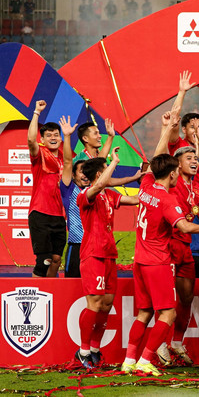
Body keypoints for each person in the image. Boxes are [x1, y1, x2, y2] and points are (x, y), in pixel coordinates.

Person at [121, 154, 199, 376]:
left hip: (140, 260)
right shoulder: (168, 199)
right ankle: (145, 360)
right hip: (157, 262)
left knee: (144, 313)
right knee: (168, 314)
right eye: (176, 172)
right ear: (172, 173)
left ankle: (129, 360)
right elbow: (185, 227)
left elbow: (151, 169)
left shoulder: (146, 186)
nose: (178, 175)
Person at [152, 106, 199, 367]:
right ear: (177, 164)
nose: (194, 161)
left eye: (195, 158)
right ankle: (160, 345)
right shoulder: (169, 183)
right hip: (168, 246)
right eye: (189, 158)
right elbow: (161, 154)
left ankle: (177, 341)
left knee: (186, 298)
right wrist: (168, 127)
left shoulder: (197, 186)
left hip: (186, 247)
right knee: (167, 301)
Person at [74, 148, 139, 369]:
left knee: (107, 304)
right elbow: (100, 185)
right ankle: (82, 351)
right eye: (106, 170)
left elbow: (134, 200)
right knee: (95, 303)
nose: (110, 174)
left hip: (110, 254)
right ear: (99, 173)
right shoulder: (86, 195)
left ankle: (94, 349)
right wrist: (114, 161)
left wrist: (152, 187)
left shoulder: (109, 195)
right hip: (93, 254)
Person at [27, 100, 66, 278]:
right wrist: (36, 112)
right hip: (40, 213)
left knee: (57, 259)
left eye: (56, 135)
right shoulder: (40, 154)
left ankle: (51, 294)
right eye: (49, 135)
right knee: (44, 260)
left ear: (60, 137)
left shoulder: (66, 159)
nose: (53, 138)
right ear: (42, 139)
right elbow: (30, 140)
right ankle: (38, 296)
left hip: (59, 216)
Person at [59, 117, 90, 278]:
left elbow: (100, 162)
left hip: (93, 247)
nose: (85, 175)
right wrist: (68, 136)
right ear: (73, 175)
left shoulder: (94, 190)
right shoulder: (69, 190)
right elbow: (67, 162)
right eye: (81, 171)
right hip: (76, 245)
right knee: (72, 286)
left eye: (88, 171)